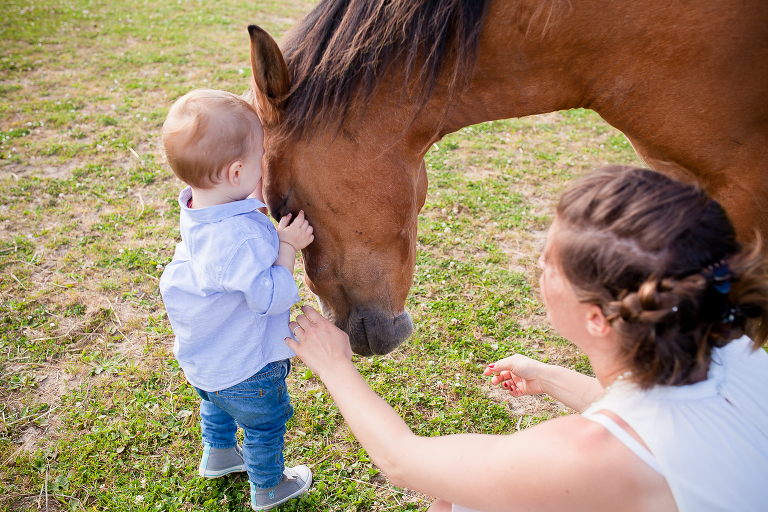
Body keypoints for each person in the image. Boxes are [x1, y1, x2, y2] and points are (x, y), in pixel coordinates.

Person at [286, 166, 768, 512]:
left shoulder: (591, 457)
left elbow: (402, 461)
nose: (538, 268)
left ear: (598, 319)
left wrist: (334, 365)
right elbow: (658, 430)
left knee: (457, 503)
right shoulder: (738, 353)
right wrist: (550, 377)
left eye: (548, 265)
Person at [159, 89, 315, 511]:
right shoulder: (243, 239)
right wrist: (287, 246)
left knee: (218, 407)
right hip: (248, 369)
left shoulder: (199, 207)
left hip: (207, 364)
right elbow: (266, 296)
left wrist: (252, 196)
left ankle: (219, 454)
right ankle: (267, 486)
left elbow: (235, 210)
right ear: (235, 172)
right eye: (261, 156)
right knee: (265, 426)